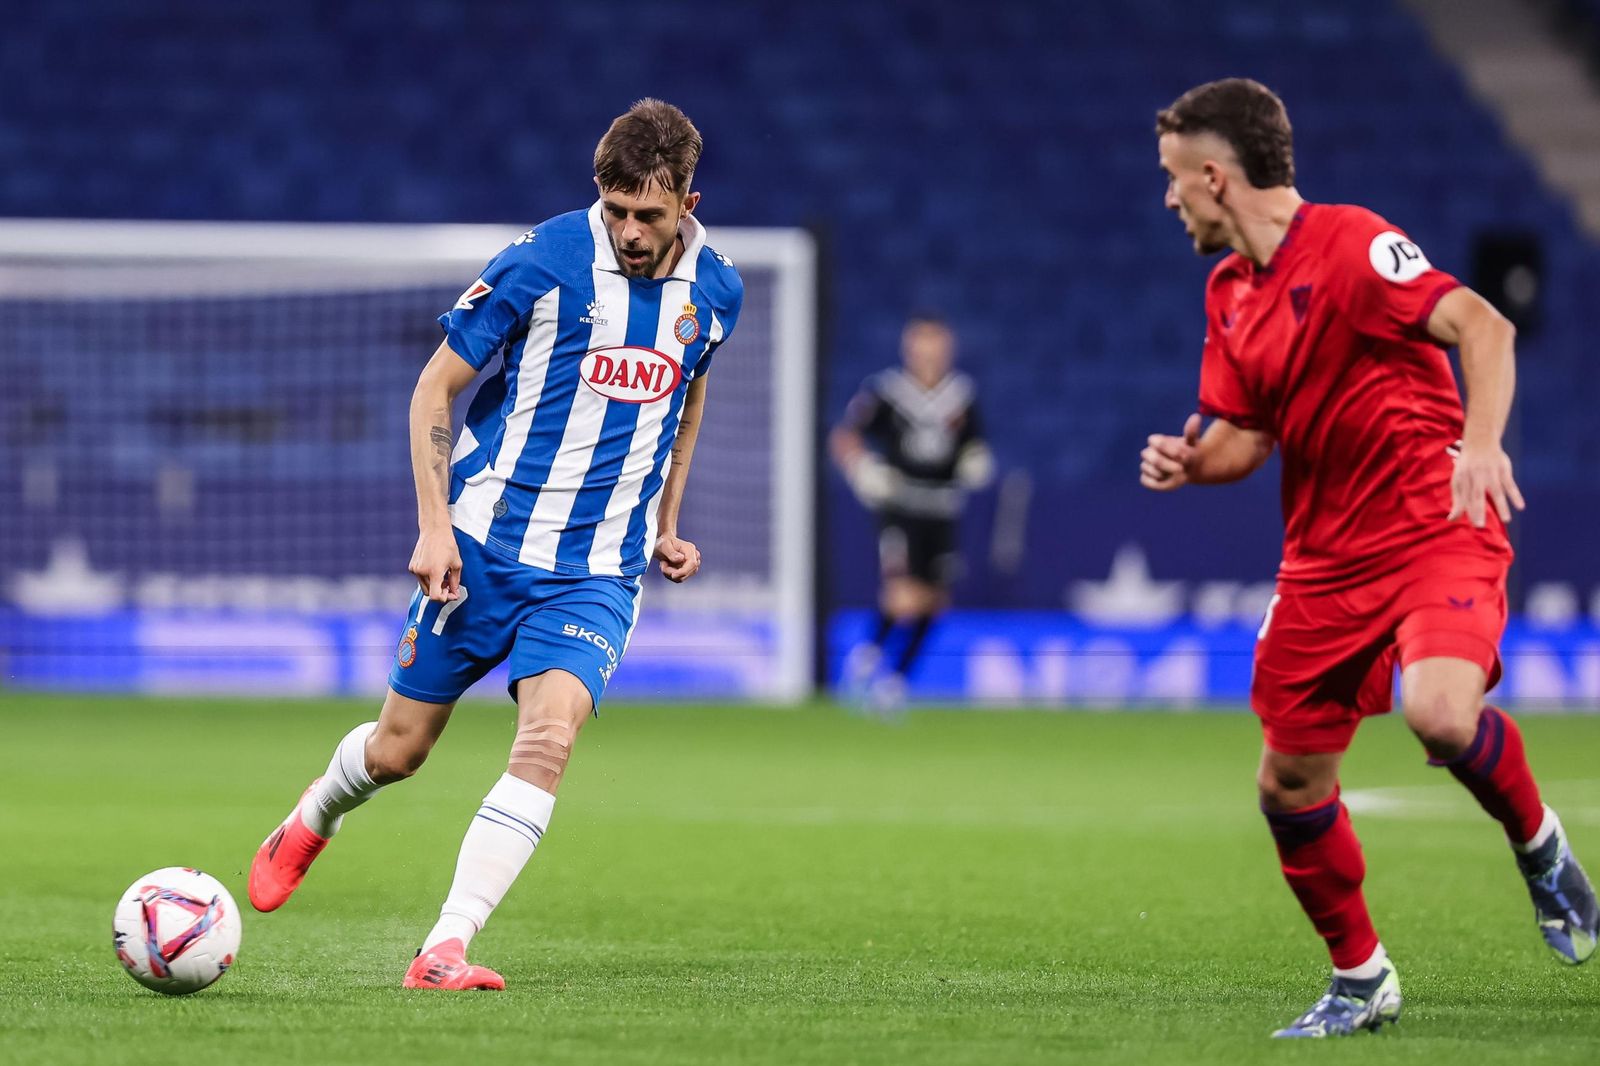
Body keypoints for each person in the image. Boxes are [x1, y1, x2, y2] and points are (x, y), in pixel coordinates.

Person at [246, 99, 742, 990]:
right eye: (616, 210)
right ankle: (315, 813)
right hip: (483, 543)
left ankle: (444, 946)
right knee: (399, 750)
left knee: (548, 740)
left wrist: (667, 524)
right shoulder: (544, 260)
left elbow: (687, 397)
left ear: (689, 204)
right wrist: (434, 526)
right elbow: (433, 389)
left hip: (597, 570)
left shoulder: (718, 292)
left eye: (649, 215)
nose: (630, 232)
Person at [1142, 78, 1596, 1038]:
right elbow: (1245, 435)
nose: (1169, 197)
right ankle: (1361, 978)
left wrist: (1480, 444)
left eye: (1175, 177)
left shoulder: (1353, 243)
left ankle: (1540, 843)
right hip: (1323, 560)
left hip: (1436, 521)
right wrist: (1193, 462)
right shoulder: (1229, 294)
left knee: (1439, 714)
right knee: (1287, 783)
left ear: (1215, 176)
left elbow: (1485, 325)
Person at [829, 315, 992, 709]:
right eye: (922, 346)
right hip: (900, 506)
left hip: (943, 508)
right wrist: (862, 468)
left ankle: (895, 682)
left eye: (936, 346)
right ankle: (865, 662)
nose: (929, 355)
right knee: (902, 594)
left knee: (935, 601)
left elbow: (974, 444)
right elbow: (845, 436)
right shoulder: (887, 392)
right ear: (909, 349)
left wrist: (975, 460)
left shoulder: (961, 396)